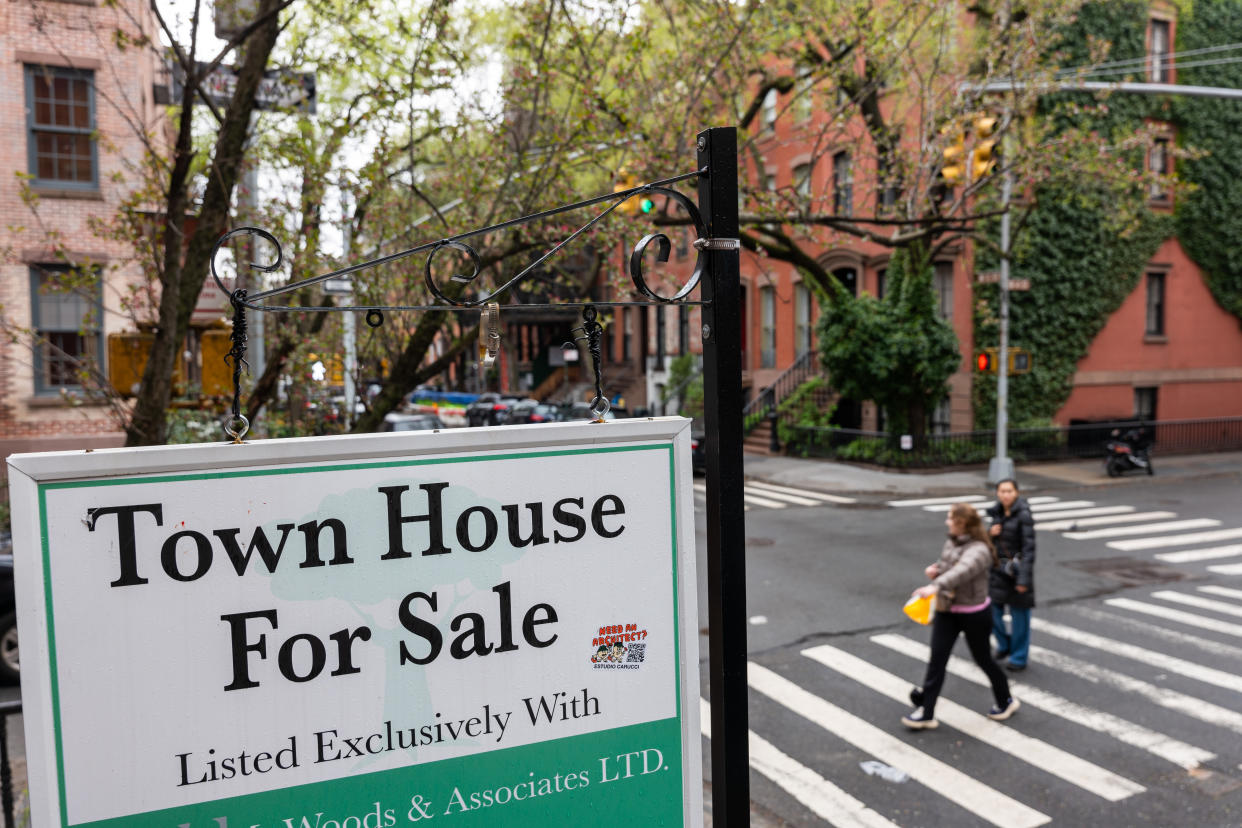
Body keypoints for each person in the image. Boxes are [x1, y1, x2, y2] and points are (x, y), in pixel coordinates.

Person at [903, 502, 1019, 730]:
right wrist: (935, 569)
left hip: (974, 614)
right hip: (948, 611)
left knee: (983, 659)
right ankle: (926, 712)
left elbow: (962, 570)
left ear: (962, 523)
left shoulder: (980, 549)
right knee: (937, 659)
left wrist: (935, 585)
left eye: (950, 518)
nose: (947, 522)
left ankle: (1006, 699)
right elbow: (949, 566)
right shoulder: (953, 540)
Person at [986, 478, 1035, 672]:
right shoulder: (996, 513)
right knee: (991, 612)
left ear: (1016, 493)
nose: (1005, 495)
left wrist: (1023, 579)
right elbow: (985, 544)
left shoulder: (1023, 515)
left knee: (1020, 617)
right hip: (998, 571)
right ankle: (1004, 644)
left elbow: (1030, 549)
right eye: (1002, 491)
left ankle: (1019, 656)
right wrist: (990, 533)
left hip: (1017, 572)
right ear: (997, 493)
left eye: (1009, 491)